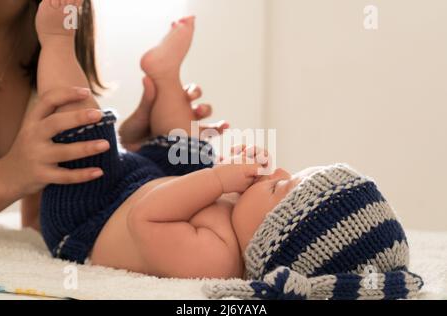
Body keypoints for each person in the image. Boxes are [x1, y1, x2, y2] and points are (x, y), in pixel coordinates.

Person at [37, 2, 423, 300]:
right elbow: (180, 192)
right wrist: (219, 173)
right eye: (289, 175)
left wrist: (218, 179)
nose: (275, 172)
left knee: (83, 127)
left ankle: (57, 41)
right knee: (189, 149)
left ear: (266, 243)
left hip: (88, 213)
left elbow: (145, 219)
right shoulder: (239, 224)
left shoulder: (215, 260)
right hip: (140, 182)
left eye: (278, 189)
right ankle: (164, 76)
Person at [0, 0, 226, 230]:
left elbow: (39, 220)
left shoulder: (48, 24)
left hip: (105, 203)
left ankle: (165, 84)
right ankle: (165, 78)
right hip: (103, 220)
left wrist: (121, 152)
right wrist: (9, 176)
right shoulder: (55, 30)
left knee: (181, 156)